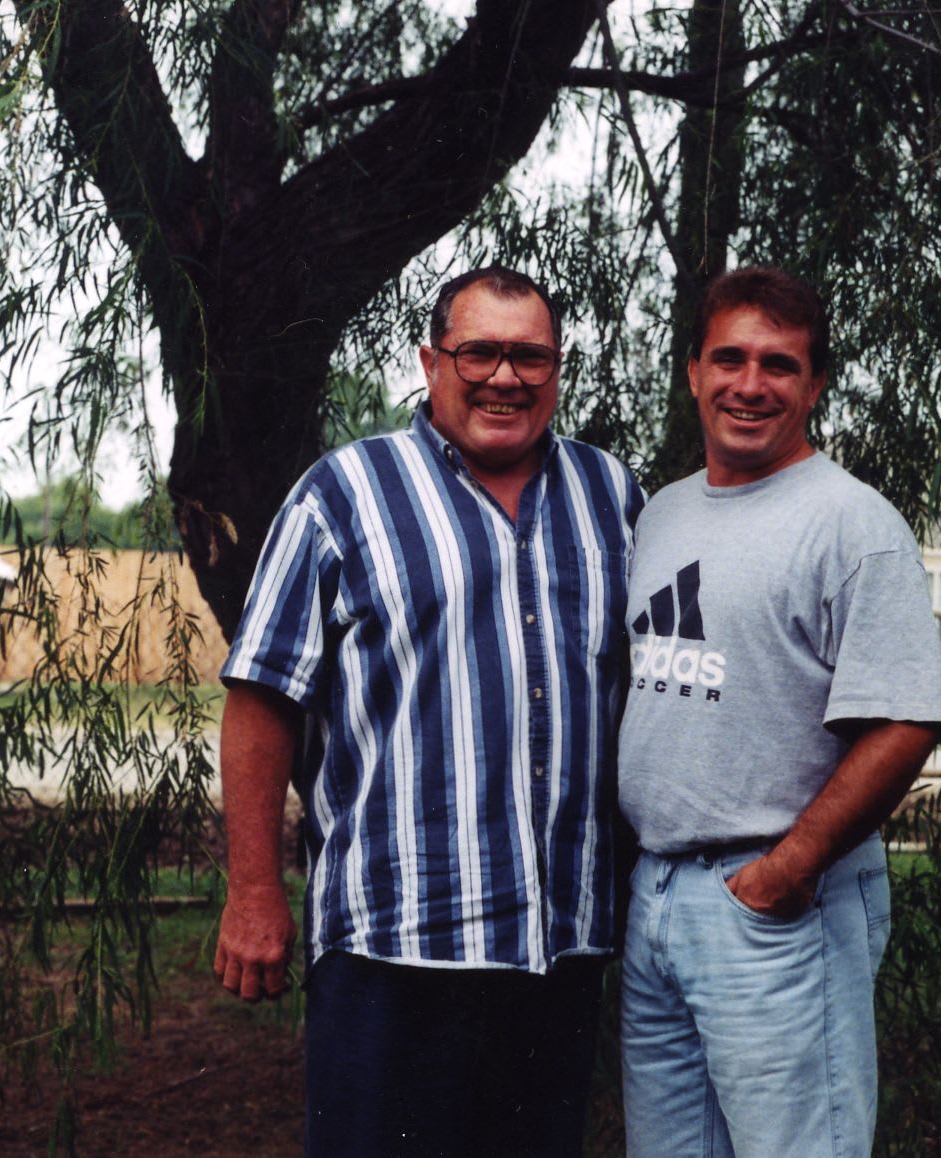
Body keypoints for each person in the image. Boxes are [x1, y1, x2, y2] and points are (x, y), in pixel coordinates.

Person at [213, 266, 644, 1156]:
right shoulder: (343, 494)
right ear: (430, 361)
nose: (505, 376)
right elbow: (262, 698)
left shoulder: (618, 501)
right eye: (478, 351)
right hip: (394, 948)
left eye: (530, 355)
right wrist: (254, 891)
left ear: (557, 369)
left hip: (557, 951)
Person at [618, 266, 941, 1157]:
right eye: (729, 358)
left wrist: (788, 868)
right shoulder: (662, 515)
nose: (750, 384)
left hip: (769, 903)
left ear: (814, 384)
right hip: (656, 901)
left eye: (779, 365)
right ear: (692, 370)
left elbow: (906, 721)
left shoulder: (851, 524)